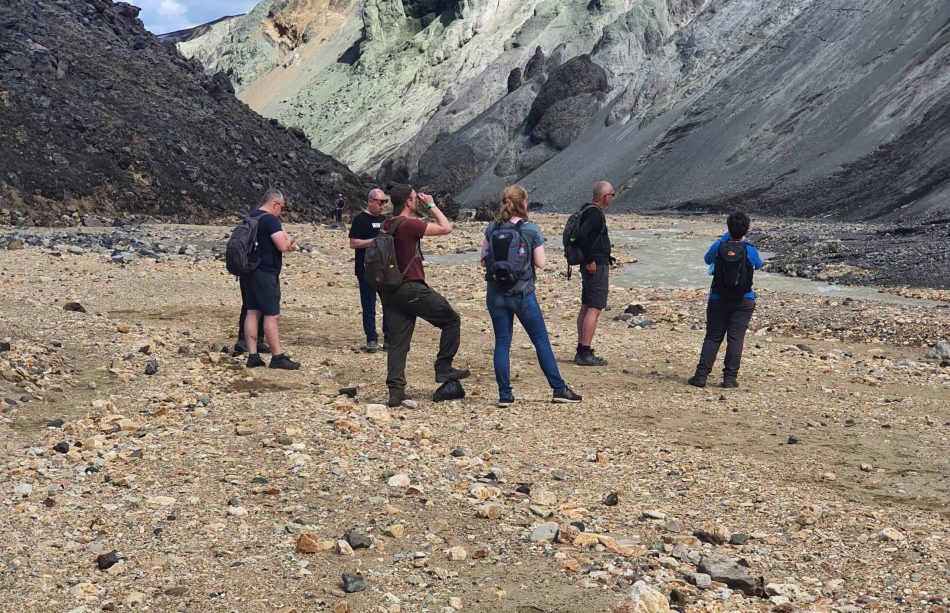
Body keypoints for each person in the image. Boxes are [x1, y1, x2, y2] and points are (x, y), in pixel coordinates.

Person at [481, 185, 582, 407]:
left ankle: (505, 395)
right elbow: (541, 263)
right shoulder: (531, 229)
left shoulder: (491, 228)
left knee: (502, 343)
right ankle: (558, 389)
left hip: (496, 294)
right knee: (540, 341)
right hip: (523, 294)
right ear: (523, 203)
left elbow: (483, 260)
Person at [381, 184, 469, 407]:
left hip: (390, 290)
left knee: (398, 342)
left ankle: (396, 391)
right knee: (451, 319)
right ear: (409, 202)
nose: (416, 202)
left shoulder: (387, 224)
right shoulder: (409, 224)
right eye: (414, 199)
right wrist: (431, 204)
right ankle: (443, 367)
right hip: (411, 287)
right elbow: (445, 227)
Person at [688, 211, 763, 388]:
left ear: (728, 228)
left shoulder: (719, 245)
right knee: (736, 339)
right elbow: (759, 265)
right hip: (744, 298)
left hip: (718, 297)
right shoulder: (750, 249)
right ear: (746, 230)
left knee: (713, 337)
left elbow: (707, 260)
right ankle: (729, 379)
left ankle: (701, 376)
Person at [242, 189, 301, 370]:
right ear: (275, 204)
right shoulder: (270, 220)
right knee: (271, 315)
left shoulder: (251, 217)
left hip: (248, 270)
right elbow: (282, 245)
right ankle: (277, 356)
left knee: (252, 311)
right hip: (265, 272)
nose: (281, 211)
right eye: (281, 207)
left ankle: (253, 356)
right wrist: (291, 241)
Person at [573, 180, 614, 366]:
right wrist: (590, 260)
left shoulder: (585, 209)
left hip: (590, 265)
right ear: (606, 197)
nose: (612, 198)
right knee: (594, 307)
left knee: (586, 304)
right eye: (612, 194)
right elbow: (581, 235)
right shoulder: (595, 214)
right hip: (595, 265)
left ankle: (581, 348)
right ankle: (585, 352)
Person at [348, 188, 389, 352]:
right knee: (368, 305)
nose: (382, 206)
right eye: (380, 202)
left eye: (384, 202)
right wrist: (374, 241)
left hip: (383, 269)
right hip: (365, 268)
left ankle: (389, 338)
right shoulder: (360, 219)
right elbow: (353, 243)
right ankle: (371, 338)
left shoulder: (384, 219)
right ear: (370, 201)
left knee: (388, 303)